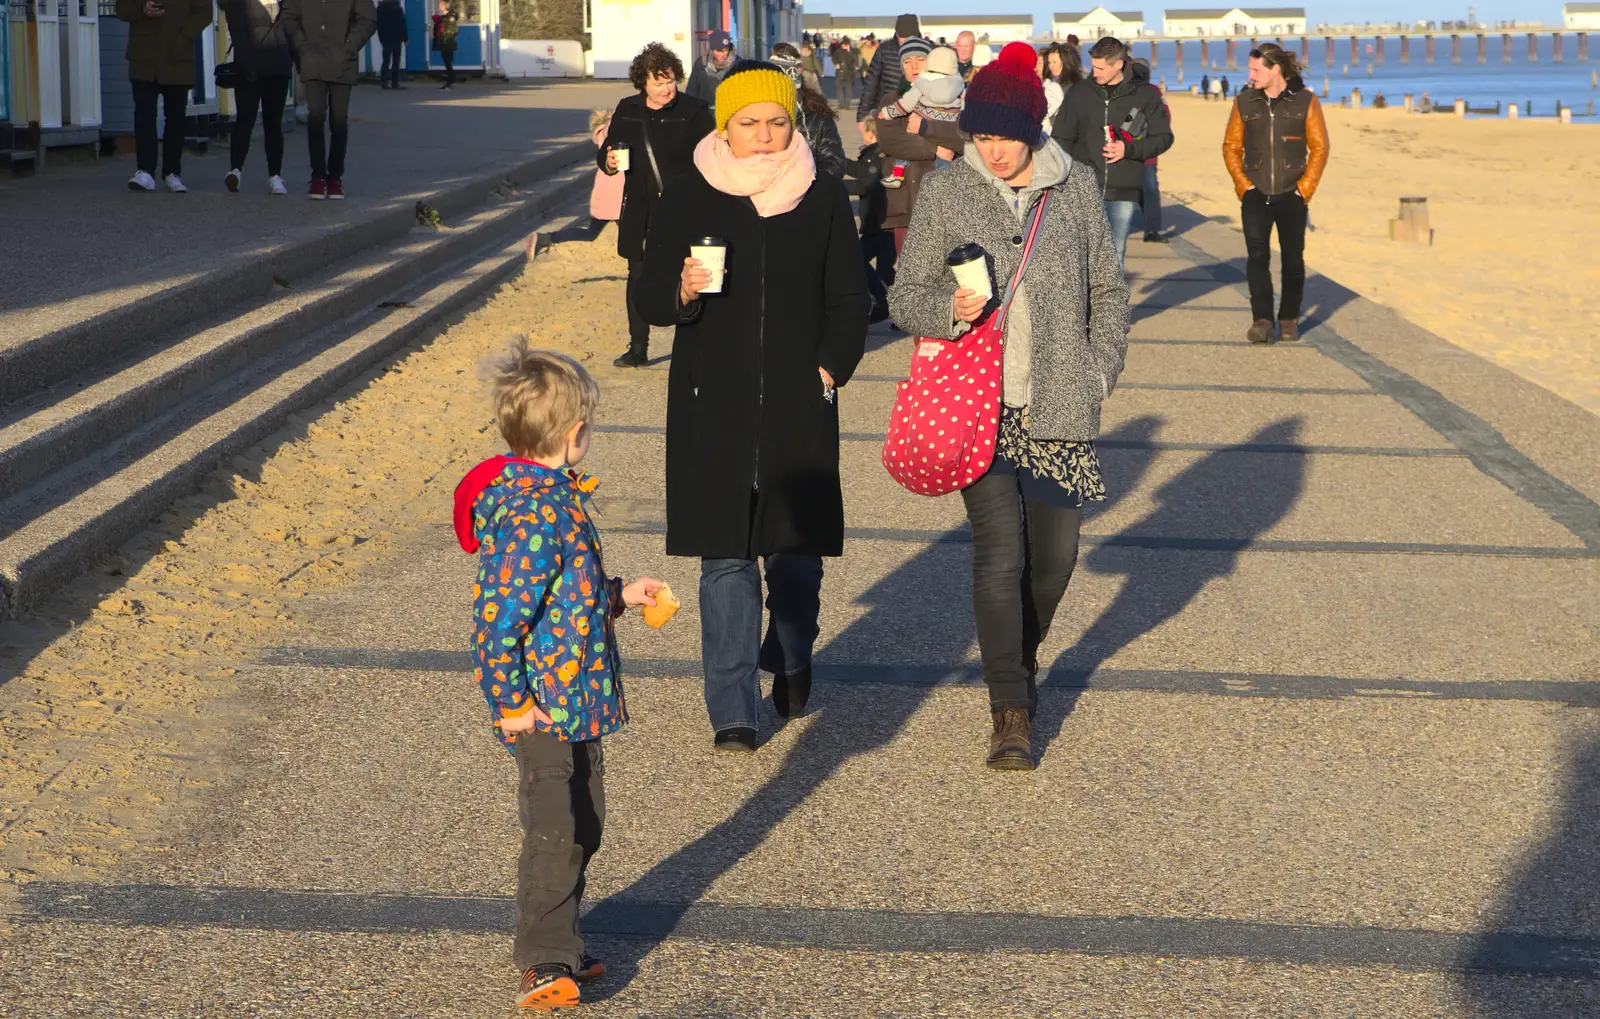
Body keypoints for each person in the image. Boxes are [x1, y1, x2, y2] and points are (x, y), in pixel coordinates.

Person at [888, 41, 1129, 771]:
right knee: (1001, 555)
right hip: (976, 403)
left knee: (1054, 561)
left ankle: (1015, 662)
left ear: (1034, 129)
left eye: (1005, 136)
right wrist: (950, 310)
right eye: (981, 136)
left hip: (1057, 397)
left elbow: (1109, 294)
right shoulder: (947, 190)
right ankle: (1010, 710)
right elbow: (904, 295)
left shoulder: (1077, 187)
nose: (991, 150)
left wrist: (1098, 372)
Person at [638, 61, 869, 752]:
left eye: (777, 121)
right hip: (714, 399)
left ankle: (793, 652)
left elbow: (850, 299)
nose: (765, 137)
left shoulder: (821, 196)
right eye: (749, 124)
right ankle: (732, 707)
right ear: (725, 128)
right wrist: (678, 291)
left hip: (801, 396)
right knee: (726, 559)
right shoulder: (687, 195)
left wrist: (830, 367)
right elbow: (648, 298)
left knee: (795, 557)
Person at [455, 341, 665, 1011]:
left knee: (586, 820)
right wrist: (512, 702)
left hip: (577, 698)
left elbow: (563, 594)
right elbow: (497, 624)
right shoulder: (536, 514)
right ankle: (544, 958)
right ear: (573, 434)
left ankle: (563, 937)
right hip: (543, 706)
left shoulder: (556, 500)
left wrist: (618, 595)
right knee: (555, 828)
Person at [598, 43, 714, 367]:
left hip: (683, 209)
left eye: (671, 80)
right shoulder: (628, 109)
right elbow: (608, 151)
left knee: (689, 278)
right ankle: (638, 347)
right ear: (643, 84)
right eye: (659, 82)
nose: (667, 89)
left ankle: (693, 345)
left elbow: (712, 155)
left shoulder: (693, 110)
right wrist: (608, 161)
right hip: (639, 209)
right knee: (637, 277)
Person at [1223, 43, 1329, 345]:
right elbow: (1231, 147)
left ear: (1275, 70)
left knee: (1293, 261)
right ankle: (1262, 320)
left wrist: (1303, 189)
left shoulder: (1306, 101)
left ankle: (1288, 319)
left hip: (1291, 195)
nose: (1250, 74)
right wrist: (1244, 186)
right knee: (1257, 258)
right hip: (1255, 194)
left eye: (1256, 69)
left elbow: (1320, 148)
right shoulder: (1244, 101)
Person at [1051, 35, 1173, 264]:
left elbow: (1164, 138)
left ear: (1118, 64)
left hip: (1123, 190)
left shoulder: (1144, 94)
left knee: (1115, 257)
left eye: (1100, 68)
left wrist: (1128, 149)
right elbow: (1061, 139)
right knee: (1081, 259)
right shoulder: (1079, 93)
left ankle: (1111, 301)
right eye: (1093, 66)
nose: (1094, 72)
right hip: (1084, 189)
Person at [876, 38, 964, 254]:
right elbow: (892, 142)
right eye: (907, 62)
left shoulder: (955, 99)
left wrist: (927, 127)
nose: (914, 66)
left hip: (946, 202)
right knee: (909, 273)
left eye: (920, 59)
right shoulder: (892, 100)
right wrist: (935, 149)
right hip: (906, 200)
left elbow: (965, 138)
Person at [283, 0, 377, 200]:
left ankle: (335, 177)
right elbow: (289, 16)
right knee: (315, 116)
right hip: (312, 59)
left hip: (343, 60)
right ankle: (318, 176)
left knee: (339, 120)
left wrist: (350, 45)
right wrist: (301, 45)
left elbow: (367, 19)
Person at [116, 0, 212, 193]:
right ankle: (145, 171)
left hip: (177, 58)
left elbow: (204, 13)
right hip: (144, 57)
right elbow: (121, 8)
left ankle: (172, 173)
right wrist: (142, 9)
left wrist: (184, 35)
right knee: (144, 115)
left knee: (176, 118)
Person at [219, 0, 293, 196]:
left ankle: (275, 176)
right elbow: (238, 35)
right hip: (250, 70)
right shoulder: (239, 3)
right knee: (245, 120)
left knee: (273, 123)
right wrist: (249, 68)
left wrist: (295, 61)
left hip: (279, 68)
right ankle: (235, 170)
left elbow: (293, 31)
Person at [771, 42, 846, 179]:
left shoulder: (817, 116)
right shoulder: (756, 116)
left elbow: (835, 163)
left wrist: (807, 183)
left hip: (809, 193)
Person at [847, 118, 895, 323]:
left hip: (883, 224)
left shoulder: (877, 155)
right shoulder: (871, 154)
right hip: (875, 224)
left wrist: (833, 187)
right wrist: (838, 161)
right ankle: (883, 302)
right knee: (857, 261)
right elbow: (859, 171)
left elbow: (864, 184)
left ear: (870, 133)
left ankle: (893, 305)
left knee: (884, 270)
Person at [856, 13, 920, 130]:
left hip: (915, 115)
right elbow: (871, 83)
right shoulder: (884, 50)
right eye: (902, 36)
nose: (904, 40)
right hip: (885, 113)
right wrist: (862, 116)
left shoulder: (926, 51)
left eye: (908, 37)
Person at [879, 44, 965, 128]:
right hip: (949, 124)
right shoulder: (959, 85)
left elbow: (906, 104)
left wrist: (887, 113)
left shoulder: (922, 82)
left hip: (922, 122)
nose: (914, 66)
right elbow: (965, 108)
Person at [1133, 57, 1166, 243]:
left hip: (1147, 151)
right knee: (1141, 188)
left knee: (1150, 188)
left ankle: (1152, 229)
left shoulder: (1154, 92)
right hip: (1126, 150)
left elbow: (1165, 115)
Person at [588, 109, 623, 225]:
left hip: (606, 192)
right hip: (617, 192)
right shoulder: (608, 132)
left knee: (591, 233)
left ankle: (548, 237)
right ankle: (549, 238)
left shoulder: (602, 135)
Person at [687, 30, 736, 106]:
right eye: (718, 51)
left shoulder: (738, 64)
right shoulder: (701, 63)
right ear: (711, 50)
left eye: (725, 50)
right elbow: (692, 92)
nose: (722, 55)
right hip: (705, 113)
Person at [375, 0, 406, 88]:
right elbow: (402, 23)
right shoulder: (397, 7)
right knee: (396, 60)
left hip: (385, 37)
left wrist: (381, 36)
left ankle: (384, 81)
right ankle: (394, 83)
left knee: (386, 60)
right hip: (396, 37)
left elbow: (378, 24)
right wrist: (405, 38)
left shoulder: (380, 8)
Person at [431, 0, 459, 89]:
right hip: (443, 43)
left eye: (441, 4)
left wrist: (444, 37)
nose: (439, 6)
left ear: (445, 6)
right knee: (447, 62)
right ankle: (450, 80)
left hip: (447, 43)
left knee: (448, 62)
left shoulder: (450, 17)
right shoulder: (443, 17)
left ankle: (450, 81)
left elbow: (453, 30)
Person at [1037, 47, 1065, 130]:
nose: (1036, 66)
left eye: (1039, 63)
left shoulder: (1053, 88)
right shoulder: (1035, 85)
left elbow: (1045, 113)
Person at [833, 36, 857, 110]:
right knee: (839, 88)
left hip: (849, 73)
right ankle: (841, 103)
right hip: (839, 72)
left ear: (848, 45)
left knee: (848, 89)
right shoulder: (838, 51)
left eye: (844, 44)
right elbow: (834, 58)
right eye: (842, 44)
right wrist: (836, 63)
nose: (843, 45)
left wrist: (849, 51)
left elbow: (855, 60)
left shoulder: (853, 51)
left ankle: (847, 104)